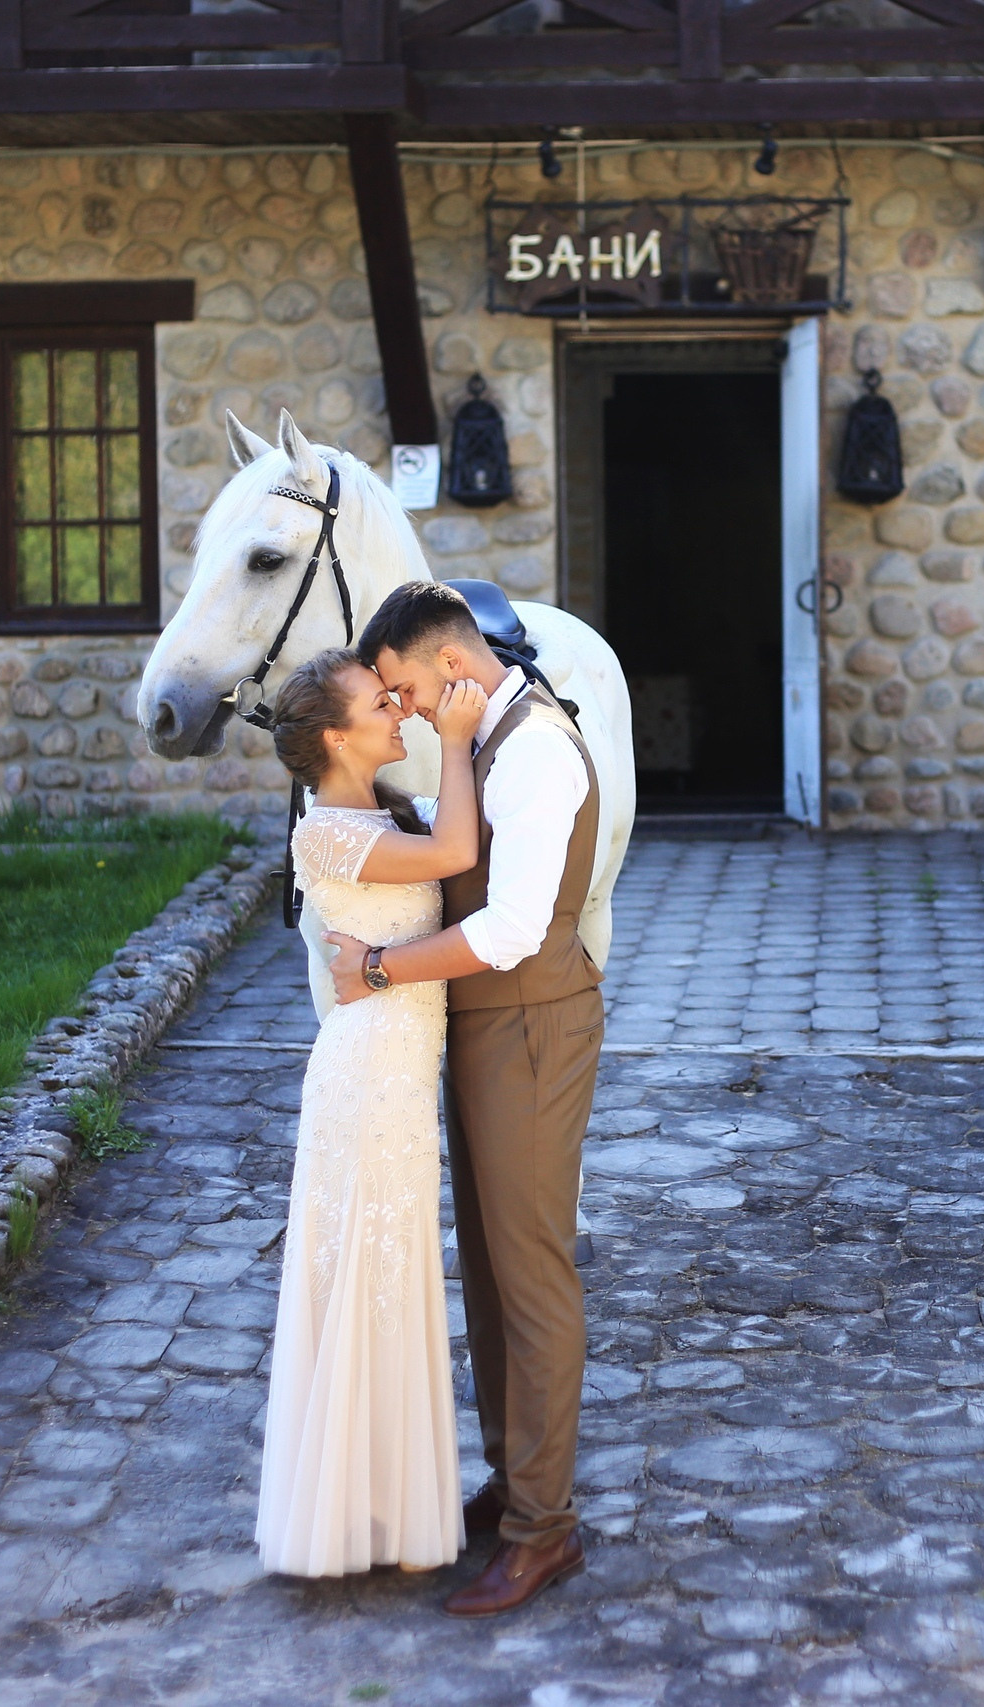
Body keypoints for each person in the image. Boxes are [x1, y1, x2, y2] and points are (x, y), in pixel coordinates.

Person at [324, 580, 603, 1620]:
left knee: (529, 1270)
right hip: (483, 1027)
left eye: (397, 687)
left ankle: (546, 1532)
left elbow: (508, 931)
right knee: (486, 1263)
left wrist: (383, 970)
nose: (393, 709)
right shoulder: (482, 732)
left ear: (451, 666)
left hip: (530, 1023)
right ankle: (513, 1477)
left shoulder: (532, 751)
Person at [253, 646, 489, 1578]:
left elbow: (449, 838)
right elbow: (457, 853)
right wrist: (459, 737)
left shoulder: (372, 811)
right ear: (333, 738)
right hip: (368, 1080)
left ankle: (385, 1510)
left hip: (394, 1074)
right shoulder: (324, 835)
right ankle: (357, 1515)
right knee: (373, 1271)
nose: (398, 710)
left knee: (393, 1272)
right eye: (377, 703)